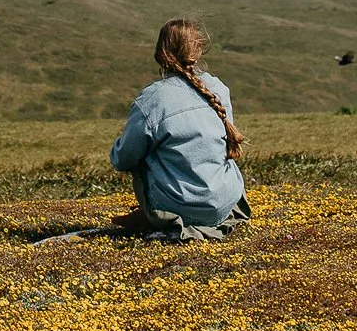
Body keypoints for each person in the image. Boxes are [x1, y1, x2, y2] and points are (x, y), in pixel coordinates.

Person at [106, 17, 252, 242]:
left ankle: (161, 214)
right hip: (225, 204)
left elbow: (123, 158)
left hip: (181, 206)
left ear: (160, 53)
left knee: (142, 153)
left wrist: (117, 149)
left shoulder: (153, 99)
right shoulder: (218, 89)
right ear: (199, 50)